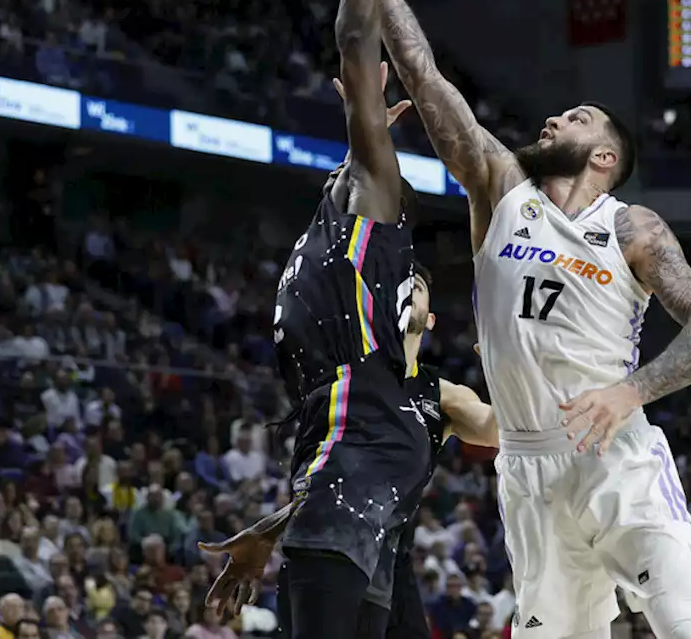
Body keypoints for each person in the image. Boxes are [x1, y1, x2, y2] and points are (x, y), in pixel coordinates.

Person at [310, 0, 691, 639]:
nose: (552, 118)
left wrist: (631, 391)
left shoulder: (632, 226)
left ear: (604, 154)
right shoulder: (501, 189)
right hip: (529, 468)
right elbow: (420, 66)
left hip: (617, 455)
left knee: (685, 630)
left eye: (575, 117)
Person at [249, 0, 431, 639]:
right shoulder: (340, 204)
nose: (363, 92)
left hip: (359, 457)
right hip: (356, 464)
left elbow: (359, 45)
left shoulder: (375, 190)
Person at [199, 265, 498, 639]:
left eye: (416, 286)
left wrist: (506, 368)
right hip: (333, 549)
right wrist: (267, 532)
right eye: (396, 284)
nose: (405, 290)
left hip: (391, 563)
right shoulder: (347, 378)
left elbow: (502, 430)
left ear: (432, 319)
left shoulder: (443, 394)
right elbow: (327, 483)